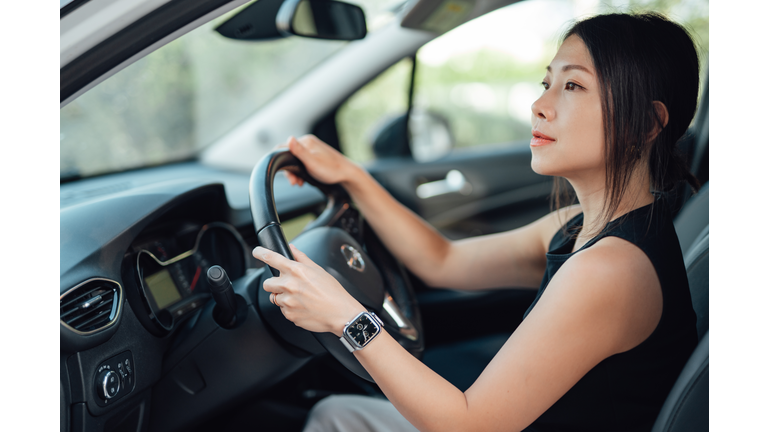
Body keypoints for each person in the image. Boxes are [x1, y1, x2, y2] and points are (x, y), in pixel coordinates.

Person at [252, 12, 701, 432]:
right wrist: (352, 176)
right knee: (337, 412)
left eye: (574, 87)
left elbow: (468, 425)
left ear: (645, 124)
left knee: (336, 418)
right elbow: (442, 260)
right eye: (547, 82)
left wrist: (344, 316)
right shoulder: (579, 226)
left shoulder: (610, 270)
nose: (539, 105)